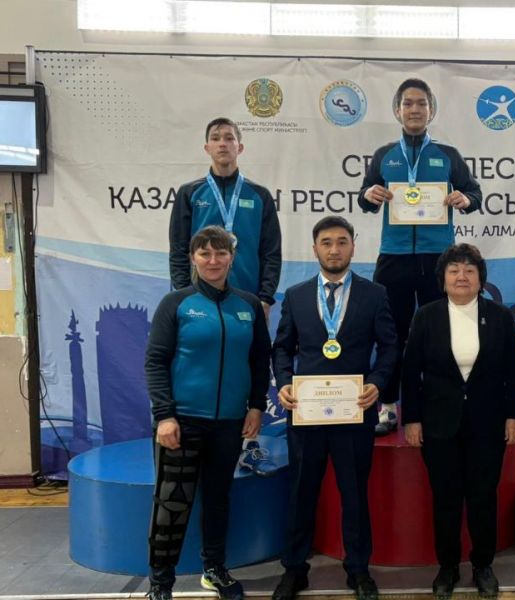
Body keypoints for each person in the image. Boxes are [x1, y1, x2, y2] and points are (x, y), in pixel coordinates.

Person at [270, 216, 398, 600]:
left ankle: (358, 570)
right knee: (301, 494)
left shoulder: (374, 294)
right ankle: (294, 570)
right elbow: (282, 348)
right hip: (306, 412)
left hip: (354, 412)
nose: (334, 249)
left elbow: (390, 347)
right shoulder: (295, 295)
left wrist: (378, 382)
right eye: (326, 242)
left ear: (353, 246)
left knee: (354, 495)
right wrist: (284, 382)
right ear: (315, 249)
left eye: (342, 242)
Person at [144, 226, 271, 600]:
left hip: (229, 423)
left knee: (218, 500)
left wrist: (256, 405)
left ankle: (214, 569)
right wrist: (165, 415)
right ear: (193, 258)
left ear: (232, 258)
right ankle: (160, 583)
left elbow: (259, 360)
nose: (213, 260)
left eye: (220, 253)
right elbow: (155, 361)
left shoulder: (248, 306)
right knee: (172, 502)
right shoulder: (176, 303)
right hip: (181, 423)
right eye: (205, 253)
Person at [358, 78, 483, 436]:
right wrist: (369, 194)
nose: (415, 110)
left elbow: (474, 194)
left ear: (431, 110)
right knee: (390, 334)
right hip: (394, 257)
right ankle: (387, 408)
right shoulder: (384, 155)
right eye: (408, 104)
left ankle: (437, 403)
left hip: (438, 259)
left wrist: (464, 199)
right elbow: (364, 199)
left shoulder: (448, 155)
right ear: (398, 111)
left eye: (421, 104)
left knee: (439, 332)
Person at [401, 243, 515, 599]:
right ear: (442, 279)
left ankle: (483, 565)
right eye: (454, 270)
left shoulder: (499, 316)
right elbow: (410, 372)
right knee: (446, 498)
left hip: (488, 424)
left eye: (470, 270)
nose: (461, 276)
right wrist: (412, 419)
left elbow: (513, 372)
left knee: (484, 497)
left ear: (480, 279)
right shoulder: (427, 316)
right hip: (439, 425)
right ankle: (448, 567)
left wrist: (514, 415)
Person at [169, 116, 282, 476]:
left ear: (240, 147)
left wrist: (265, 298)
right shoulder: (190, 193)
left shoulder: (259, 196)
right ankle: (195, 439)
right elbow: (178, 250)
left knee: (249, 367)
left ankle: (249, 445)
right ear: (207, 147)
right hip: (200, 300)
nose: (223, 143)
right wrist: (182, 296)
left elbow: (271, 252)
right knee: (201, 365)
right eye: (216, 138)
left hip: (247, 302)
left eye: (229, 138)